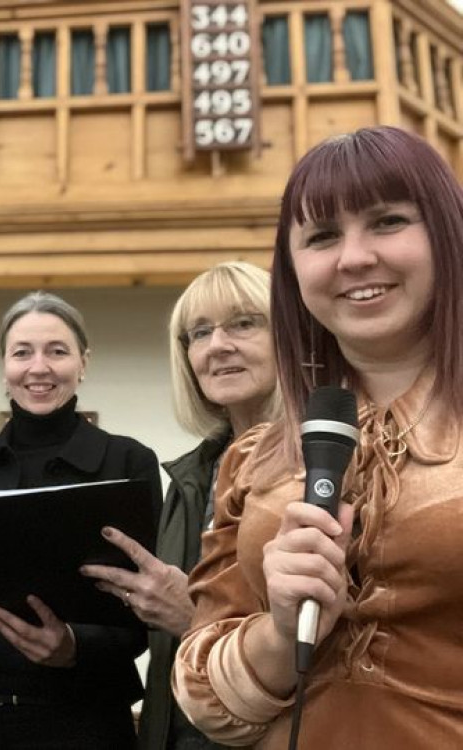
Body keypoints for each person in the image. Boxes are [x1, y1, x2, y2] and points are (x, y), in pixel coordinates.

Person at [172, 125, 463, 747]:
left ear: (446, 235)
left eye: (387, 222)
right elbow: (201, 695)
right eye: (323, 236)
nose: (353, 257)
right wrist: (278, 636)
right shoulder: (252, 456)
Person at [0, 290, 163, 749]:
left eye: (57, 351)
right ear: (4, 366)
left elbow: (147, 610)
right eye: (22, 353)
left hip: (84, 726)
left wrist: (74, 644)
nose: (38, 368)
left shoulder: (129, 461)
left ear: (83, 363)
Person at [82, 261, 280, 750]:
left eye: (244, 323)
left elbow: (340, 652)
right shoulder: (192, 477)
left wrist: (192, 616)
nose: (218, 345)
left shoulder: (321, 467)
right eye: (199, 332)